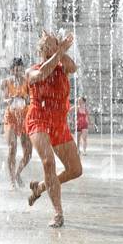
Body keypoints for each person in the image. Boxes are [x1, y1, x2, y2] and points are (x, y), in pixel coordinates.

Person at [26, 31, 83, 227]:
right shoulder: (31, 71)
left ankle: (42, 186)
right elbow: (42, 73)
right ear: (41, 50)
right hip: (38, 119)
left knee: (75, 170)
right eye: (49, 46)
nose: (53, 48)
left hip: (58, 122)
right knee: (48, 162)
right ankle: (58, 213)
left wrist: (61, 52)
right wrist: (60, 51)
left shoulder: (62, 67)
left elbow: (73, 67)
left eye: (55, 45)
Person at [0, 58, 32, 187]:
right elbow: (4, 99)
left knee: (28, 153)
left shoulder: (27, 82)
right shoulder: (6, 82)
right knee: (12, 147)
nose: (18, 71)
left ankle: (18, 173)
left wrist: (26, 98)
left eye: (20, 69)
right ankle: (12, 181)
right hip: (11, 117)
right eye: (15, 69)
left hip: (25, 117)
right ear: (11, 70)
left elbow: (31, 99)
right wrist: (9, 100)